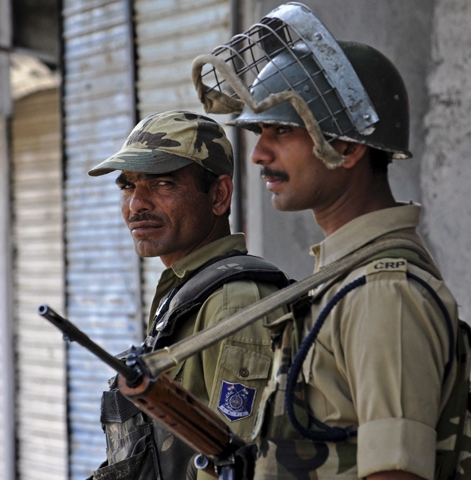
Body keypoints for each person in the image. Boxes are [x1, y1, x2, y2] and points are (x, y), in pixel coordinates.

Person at [191, 3, 465, 479]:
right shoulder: (346, 276)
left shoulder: (384, 294)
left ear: (349, 146)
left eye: (282, 129)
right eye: (259, 130)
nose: (258, 153)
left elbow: (395, 472)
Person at [86, 110, 290, 480]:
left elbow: (239, 462)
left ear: (219, 195)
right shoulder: (187, 288)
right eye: (128, 186)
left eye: (162, 184)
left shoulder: (233, 301)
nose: (137, 204)